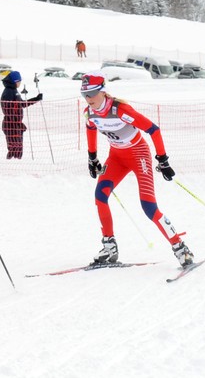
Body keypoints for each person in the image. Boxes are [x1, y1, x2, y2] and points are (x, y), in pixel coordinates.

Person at [81, 71, 195, 268]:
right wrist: (92, 158)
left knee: (149, 207)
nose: (88, 98)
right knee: (100, 196)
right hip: (116, 157)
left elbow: (154, 129)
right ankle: (109, 247)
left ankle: (180, 248)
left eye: (91, 93)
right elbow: (91, 129)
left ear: (103, 92)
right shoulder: (89, 113)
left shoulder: (120, 110)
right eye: (84, 94)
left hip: (138, 155)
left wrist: (163, 160)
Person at [0, 70, 42, 159]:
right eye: (19, 81)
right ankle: (11, 164)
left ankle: (18, 161)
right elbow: (6, 109)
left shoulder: (14, 90)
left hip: (16, 125)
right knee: (14, 147)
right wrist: (15, 121)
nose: (20, 83)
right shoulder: (8, 92)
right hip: (11, 125)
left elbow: (21, 104)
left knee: (19, 147)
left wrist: (36, 99)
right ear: (14, 81)